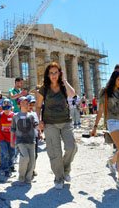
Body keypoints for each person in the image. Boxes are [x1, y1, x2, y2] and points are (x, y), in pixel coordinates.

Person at [36, 62, 78, 190]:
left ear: (60, 73)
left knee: (72, 147)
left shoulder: (64, 86)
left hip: (65, 121)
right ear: (48, 75)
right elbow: (38, 106)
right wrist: (39, 121)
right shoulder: (43, 89)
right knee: (55, 153)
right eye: (51, 73)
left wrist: (64, 80)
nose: (54, 75)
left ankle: (66, 169)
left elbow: (72, 94)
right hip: (50, 124)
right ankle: (58, 178)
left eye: (56, 72)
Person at [11, 97, 39, 184]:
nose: (26, 105)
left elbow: (36, 125)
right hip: (20, 141)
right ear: (19, 105)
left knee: (32, 160)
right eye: (23, 104)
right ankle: (21, 175)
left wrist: (40, 129)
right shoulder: (15, 116)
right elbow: (12, 129)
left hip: (31, 141)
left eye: (27, 104)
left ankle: (28, 177)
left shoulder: (31, 116)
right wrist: (12, 141)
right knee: (25, 157)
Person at [0, 99, 15, 177]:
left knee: (12, 152)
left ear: (11, 107)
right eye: (5, 108)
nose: (6, 110)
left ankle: (11, 165)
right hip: (2, 138)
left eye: (8, 108)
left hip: (12, 138)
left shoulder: (14, 115)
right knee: (4, 153)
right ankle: (5, 169)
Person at [27, 95, 41, 177]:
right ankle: (27, 170)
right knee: (27, 155)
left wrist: (40, 133)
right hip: (25, 137)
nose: (31, 107)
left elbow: (37, 125)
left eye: (32, 105)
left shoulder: (34, 114)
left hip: (34, 137)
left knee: (35, 154)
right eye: (30, 105)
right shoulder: (22, 114)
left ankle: (32, 169)